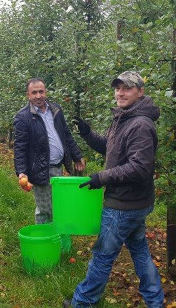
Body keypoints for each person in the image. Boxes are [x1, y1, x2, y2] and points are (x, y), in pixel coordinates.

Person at [65, 71, 164, 307]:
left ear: (140, 92)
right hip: (135, 202)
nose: (120, 92)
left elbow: (139, 168)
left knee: (102, 255)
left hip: (123, 204)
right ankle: (155, 301)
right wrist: (88, 135)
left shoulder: (139, 124)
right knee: (139, 251)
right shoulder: (124, 118)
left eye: (127, 88)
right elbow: (111, 149)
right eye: (118, 88)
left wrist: (102, 177)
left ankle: (82, 302)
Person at [13, 78, 85, 224]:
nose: (38, 96)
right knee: (44, 208)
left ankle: (58, 235)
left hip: (58, 167)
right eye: (34, 93)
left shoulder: (55, 110)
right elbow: (20, 147)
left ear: (45, 92)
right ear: (28, 95)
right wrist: (21, 172)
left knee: (58, 204)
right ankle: (44, 239)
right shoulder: (23, 117)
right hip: (40, 168)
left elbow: (66, 134)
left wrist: (77, 156)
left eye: (41, 91)